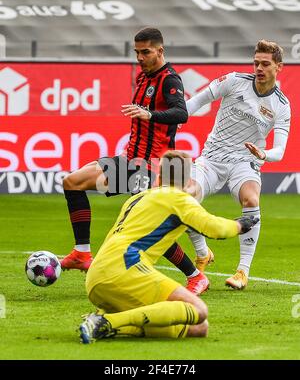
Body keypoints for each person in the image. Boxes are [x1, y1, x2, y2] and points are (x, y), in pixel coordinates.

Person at [60, 27, 206, 294]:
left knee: (145, 223)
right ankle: (82, 253)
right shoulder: (143, 77)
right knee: (72, 181)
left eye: (145, 52)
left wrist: (150, 114)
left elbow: (181, 113)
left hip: (151, 165)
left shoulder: (169, 79)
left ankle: (196, 276)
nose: (140, 57)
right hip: (129, 159)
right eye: (137, 52)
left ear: (160, 51)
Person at [79, 150, 258, 343]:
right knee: (199, 310)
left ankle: (108, 324)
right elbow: (215, 229)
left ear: (158, 176)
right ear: (189, 180)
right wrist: (239, 225)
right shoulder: (178, 199)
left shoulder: (137, 198)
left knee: (198, 328)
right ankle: (109, 321)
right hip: (125, 269)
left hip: (96, 277)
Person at [183, 40, 291, 290]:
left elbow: (281, 151)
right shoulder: (233, 81)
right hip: (212, 158)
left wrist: (263, 154)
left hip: (245, 161)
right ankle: (202, 253)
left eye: (265, 64)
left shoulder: (281, 106)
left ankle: (242, 272)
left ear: (279, 67)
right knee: (185, 198)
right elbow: (196, 102)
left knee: (251, 200)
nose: (259, 68)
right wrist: (177, 117)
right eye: (256, 63)